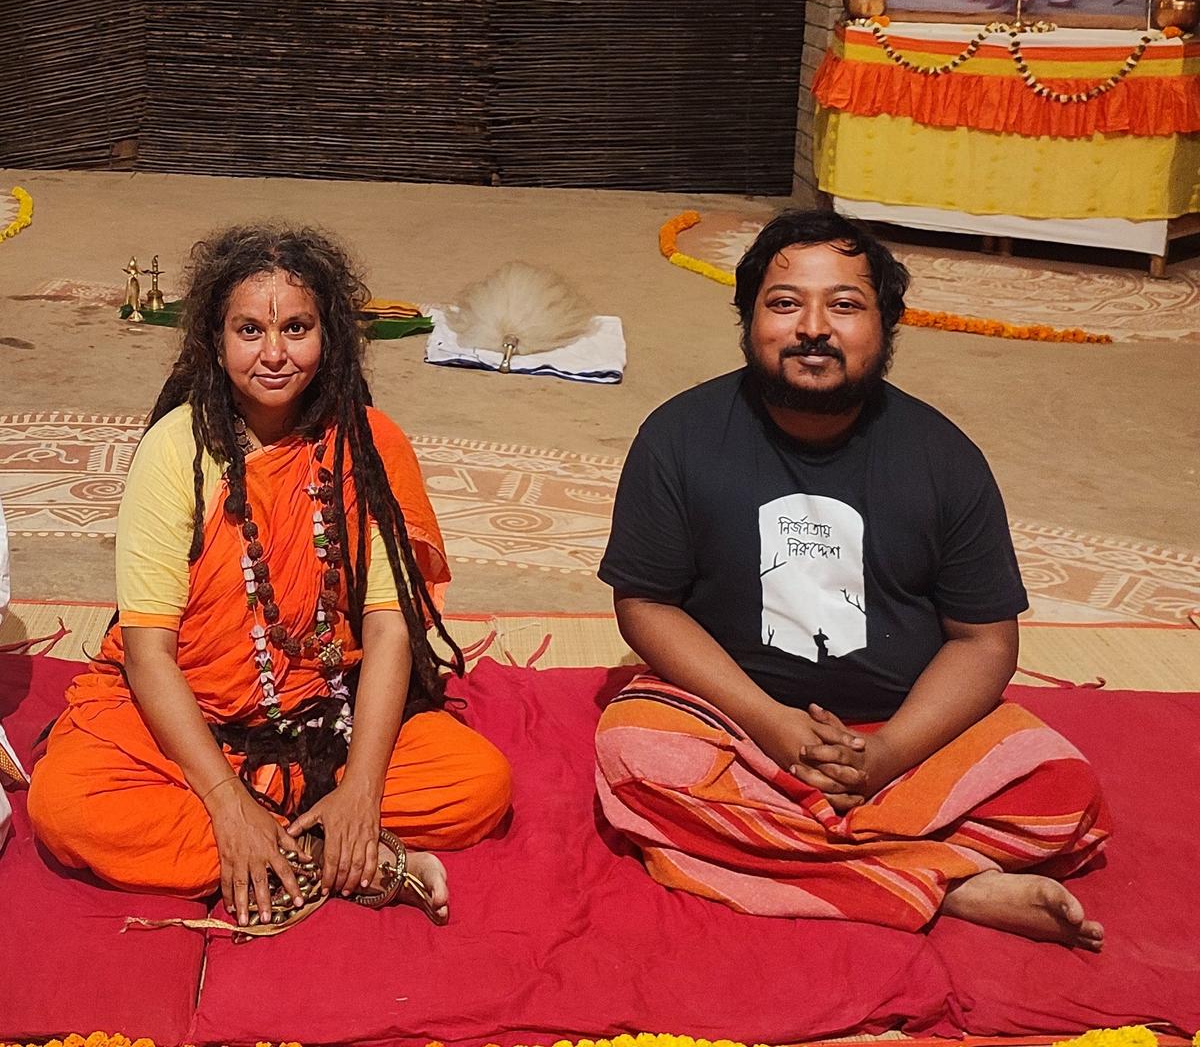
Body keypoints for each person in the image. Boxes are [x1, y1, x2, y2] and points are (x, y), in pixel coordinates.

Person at [595, 209, 1110, 949]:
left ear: (886, 327)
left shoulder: (944, 456)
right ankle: (948, 882)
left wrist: (889, 755)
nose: (813, 327)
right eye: (784, 303)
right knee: (634, 750)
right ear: (748, 321)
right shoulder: (677, 438)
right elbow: (646, 604)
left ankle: (813, 859)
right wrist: (774, 725)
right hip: (740, 726)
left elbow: (984, 643)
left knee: (1064, 786)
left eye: (844, 304)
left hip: (907, 736)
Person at [28, 225, 511, 931]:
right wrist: (227, 801)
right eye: (250, 329)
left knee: (478, 785)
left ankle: (304, 837)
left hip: (324, 726)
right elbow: (148, 652)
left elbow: (386, 627)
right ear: (214, 340)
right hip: (189, 726)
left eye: (297, 327)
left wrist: (363, 792)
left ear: (331, 335)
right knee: (66, 804)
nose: (275, 352)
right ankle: (337, 856)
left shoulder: (373, 446)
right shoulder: (175, 454)